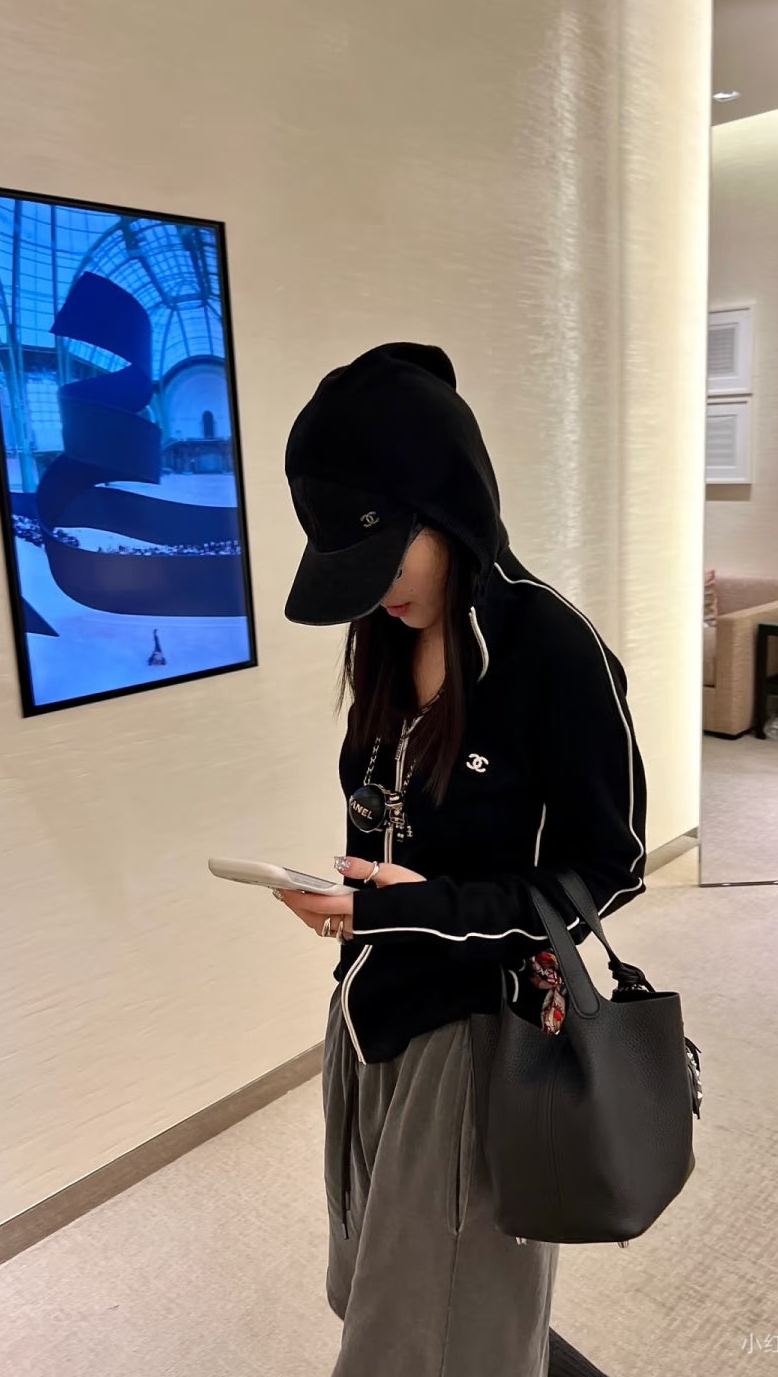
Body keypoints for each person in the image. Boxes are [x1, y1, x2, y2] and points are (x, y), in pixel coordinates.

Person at [280, 342, 648, 1377]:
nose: (376, 591)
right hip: (368, 1012)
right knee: (380, 1289)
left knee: (430, 1336)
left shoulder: (554, 652)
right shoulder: (386, 641)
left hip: (481, 1034)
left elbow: (608, 867)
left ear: (449, 509)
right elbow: (385, 826)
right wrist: (362, 904)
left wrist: (418, 910)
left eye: (387, 555)